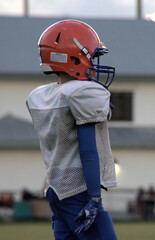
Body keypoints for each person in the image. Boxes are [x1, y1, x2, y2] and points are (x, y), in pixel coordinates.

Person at [26, 20, 117, 240]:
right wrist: (94, 197)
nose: (94, 64)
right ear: (74, 57)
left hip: (56, 190)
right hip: (78, 190)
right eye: (91, 57)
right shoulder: (80, 93)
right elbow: (88, 150)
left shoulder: (45, 96)